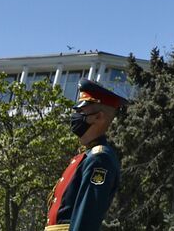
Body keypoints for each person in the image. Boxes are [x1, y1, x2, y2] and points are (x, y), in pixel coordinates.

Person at [45, 78, 127, 231]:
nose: (76, 116)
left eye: (81, 111)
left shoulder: (100, 159)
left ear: (98, 117)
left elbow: (86, 217)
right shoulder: (86, 156)